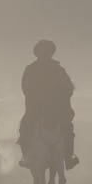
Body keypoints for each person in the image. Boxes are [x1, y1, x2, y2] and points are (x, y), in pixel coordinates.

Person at [18, 39, 79, 170]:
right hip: (36, 108)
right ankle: (27, 157)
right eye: (42, 51)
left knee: (67, 128)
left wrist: (58, 100)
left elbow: (68, 88)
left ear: (51, 53)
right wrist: (39, 99)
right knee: (25, 128)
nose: (44, 53)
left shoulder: (59, 70)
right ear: (37, 53)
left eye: (47, 51)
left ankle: (69, 158)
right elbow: (26, 88)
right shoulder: (30, 69)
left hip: (57, 109)